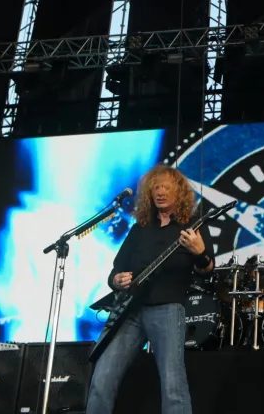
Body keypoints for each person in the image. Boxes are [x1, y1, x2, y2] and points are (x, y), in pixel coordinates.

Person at [86, 164, 214, 414]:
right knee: (102, 377)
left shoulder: (192, 225)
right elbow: (116, 271)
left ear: (179, 191)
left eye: (166, 186)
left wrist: (200, 253)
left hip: (167, 309)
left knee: (172, 386)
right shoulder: (140, 228)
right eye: (156, 187)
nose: (160, 192)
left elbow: (207, 271)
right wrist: (117, 280)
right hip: (129, 311)